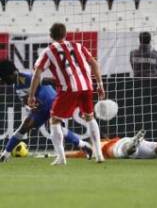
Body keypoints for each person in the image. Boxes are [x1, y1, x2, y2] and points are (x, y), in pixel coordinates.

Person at [27, 23, 105, 165]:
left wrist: (31, 95)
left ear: (51, 36)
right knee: (89, 116)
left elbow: (37, 73)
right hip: (87, 86)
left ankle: (61, 157)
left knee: (54, 120)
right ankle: (99, 154)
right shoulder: (78, 46)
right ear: (65, 34)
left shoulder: (49, 51)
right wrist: (100, 84)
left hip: (68, 88)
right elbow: (94, 63)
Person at [0, 59, 92, 163]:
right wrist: (31, 106)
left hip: (50, 101)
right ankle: (5, 154)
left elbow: (45, 84)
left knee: (55, 128)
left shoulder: (27, 77)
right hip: (40, 108)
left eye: (4, 77)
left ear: (13, 73)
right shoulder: (16, 85)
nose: (3, 81)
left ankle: (80, 147)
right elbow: (26, 100)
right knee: (26, 126)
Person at [66, 114, 157, 160]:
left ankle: (132, 146)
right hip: (126, 141)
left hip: (115, 147)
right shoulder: (105, 140)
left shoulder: (90, 148)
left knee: (122, 152)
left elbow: (72, 154)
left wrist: (61, 154)